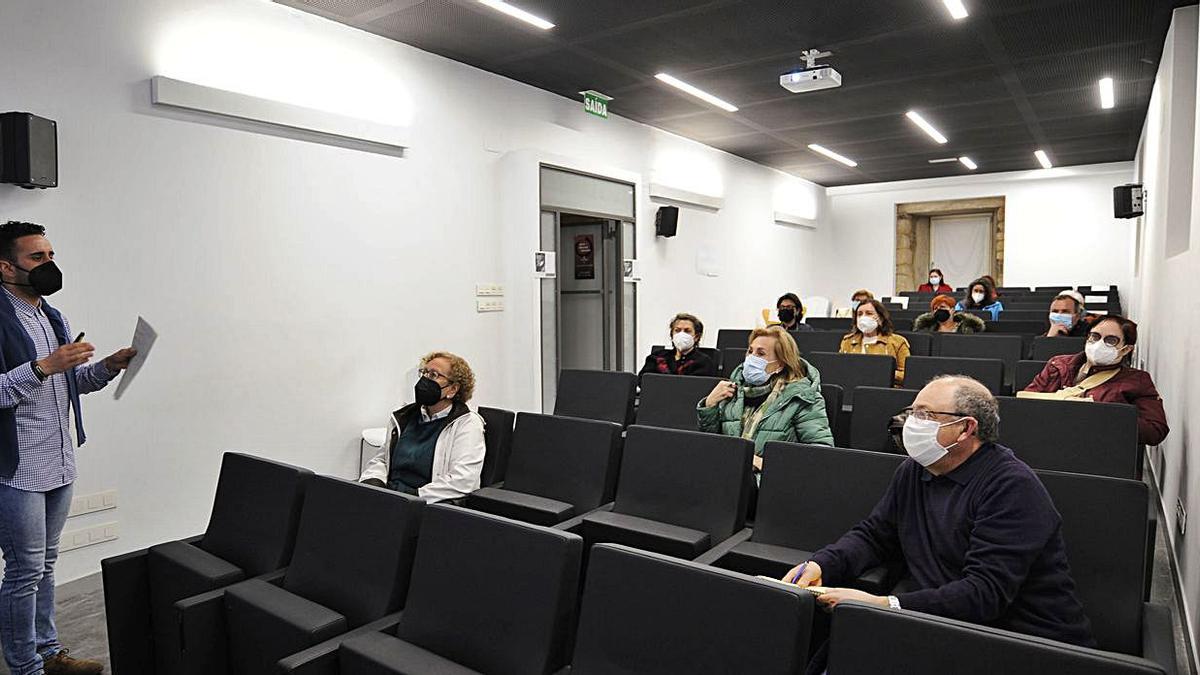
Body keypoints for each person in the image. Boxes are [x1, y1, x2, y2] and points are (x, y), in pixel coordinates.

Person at [783, 376, 1096, 668]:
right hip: (941, 622)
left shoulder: (1011, 486)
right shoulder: (915, 469)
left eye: (925, 415)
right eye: (912, 412)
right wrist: (822, 564)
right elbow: (875, 534)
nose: (910, 423)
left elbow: (985, 593)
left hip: (1022, 642)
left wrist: (885, 605)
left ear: (965, 428)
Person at [0, 221, 137, 675]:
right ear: (6, 266)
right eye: (37, 258)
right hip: (15, 467)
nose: (49, 265)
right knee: (23, 572)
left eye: (51, 255)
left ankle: (49, 652)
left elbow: (67, 385)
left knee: (46, 564)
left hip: (58, 461)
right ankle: (25, 668)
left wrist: (107, 368)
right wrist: (45, 365)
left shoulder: (51, 315)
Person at [698, 327, 833, 476]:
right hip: (725, 475)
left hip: (769, 484)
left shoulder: (801, 397)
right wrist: (709, 405)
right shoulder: (732, 390)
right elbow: (713, 444)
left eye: (761, 354)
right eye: (750, 351)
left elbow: (821, 455)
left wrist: (763, 464)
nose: (751, 358)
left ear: (780, 364)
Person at [360, 351, 486, 502]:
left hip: (428, 503)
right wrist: (373, 482)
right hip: (390, 496)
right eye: (424, 373)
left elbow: (463, 480)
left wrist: (414, 497)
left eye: (433, 375)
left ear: (453, 389)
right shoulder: (404, 417)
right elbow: (382, 459)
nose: (425, 380)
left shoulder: (467, 423)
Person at [1023, 316, 1168, 445]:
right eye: (1095, 336)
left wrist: (1102, 415)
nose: (1099, 344)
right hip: (1048, 439)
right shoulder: (1058, 364)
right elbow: (1026, 401)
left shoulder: (1136, 381)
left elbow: (1155, 430)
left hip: (1098, 450)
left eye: (1111, 340)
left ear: (1125, 349)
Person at [839, 299, 911, 386]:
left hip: (884, 391)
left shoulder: (897, 342)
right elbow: (841, 370)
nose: (863, 317)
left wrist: (880, 373)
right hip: (854, 388)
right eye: (859, 314)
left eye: (869, 313)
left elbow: (908, 375)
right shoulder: (847, 341)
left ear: (880, 318)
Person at [638, 313, 716, 377]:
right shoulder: (656, 357)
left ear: (696, 337)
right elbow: (643, 380)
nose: (681, 334)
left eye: (687, 331)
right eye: (677, 330)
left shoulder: (703, 362)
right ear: (672, 335)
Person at [913, 294, 984, 334]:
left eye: (942, 307)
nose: (939, 310)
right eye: (935, 308)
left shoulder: (966, 328)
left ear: (952, 310)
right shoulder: (927, 328)